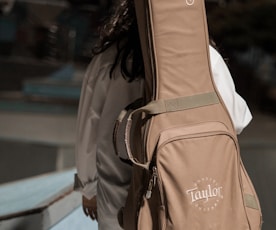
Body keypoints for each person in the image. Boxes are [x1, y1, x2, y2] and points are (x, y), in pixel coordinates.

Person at [74, 0, 252, 229]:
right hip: (180, 202)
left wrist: (88, 189)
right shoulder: (204, 58)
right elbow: (237, 120)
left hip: (118, 205)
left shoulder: (107, 61)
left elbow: (88, 130)